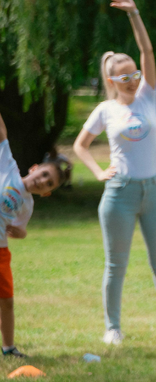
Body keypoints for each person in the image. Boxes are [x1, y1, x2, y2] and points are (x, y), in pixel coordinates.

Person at [72, 0, 156, 345]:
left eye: (135, 74)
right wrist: (98, 172)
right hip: (120, 194)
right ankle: (112, 328)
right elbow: (81, 146)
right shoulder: (106, 110)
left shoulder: (148, 95)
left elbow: (147, 50)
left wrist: (133, 13)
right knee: (116, 266)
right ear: (112, 81)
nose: (132, 80)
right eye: (124, 77)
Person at [0, 111, 66, 358]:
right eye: (45, 174)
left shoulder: (28, 205)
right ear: (35, 168)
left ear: (46, 193)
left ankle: (8, 347)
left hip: (1, 250)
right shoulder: (8, 167)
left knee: (6, 300)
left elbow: (20, 228)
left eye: (49, 184)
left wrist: (20, 232)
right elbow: (2, 133)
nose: (43, 181)